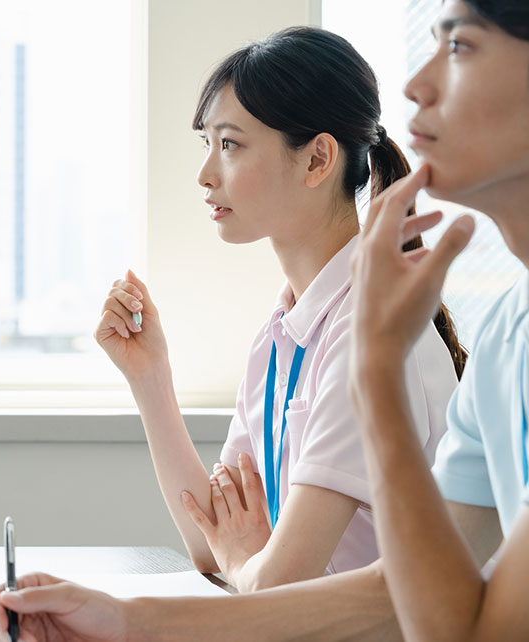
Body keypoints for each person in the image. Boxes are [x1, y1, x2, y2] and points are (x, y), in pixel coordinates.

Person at [0, 1, 529, 641]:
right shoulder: (514, 334)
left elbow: (478, 632)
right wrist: (126, 621)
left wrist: (378, 371)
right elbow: (398, 592)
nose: (418, 87)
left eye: (460, 47)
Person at [91, 27, 462, 593]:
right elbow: (212, 544)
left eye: (230, 145)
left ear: (317, 159)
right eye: (207, 143)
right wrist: (150, 377)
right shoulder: (283, 332)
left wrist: (244, 561)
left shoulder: (368, 330)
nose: (205, 174)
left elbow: (271, 582)